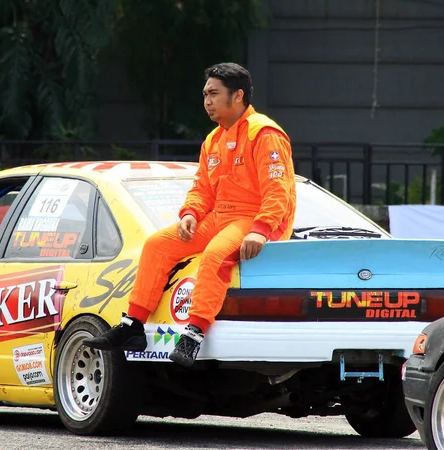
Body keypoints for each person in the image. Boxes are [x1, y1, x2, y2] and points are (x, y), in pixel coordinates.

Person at [83, 62, 296, 367]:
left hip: (254, 219)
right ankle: (133, 325)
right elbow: (202, 189)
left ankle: (194, 333)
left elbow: (278, 190)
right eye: (205, 94)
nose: (207, 101)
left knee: (214, 255)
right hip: (221, 218)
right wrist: (191, 214)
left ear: (237, 96)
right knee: (158, 244)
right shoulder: (213, 140)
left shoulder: (264, 133)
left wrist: (261, 229)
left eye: (213, 93)